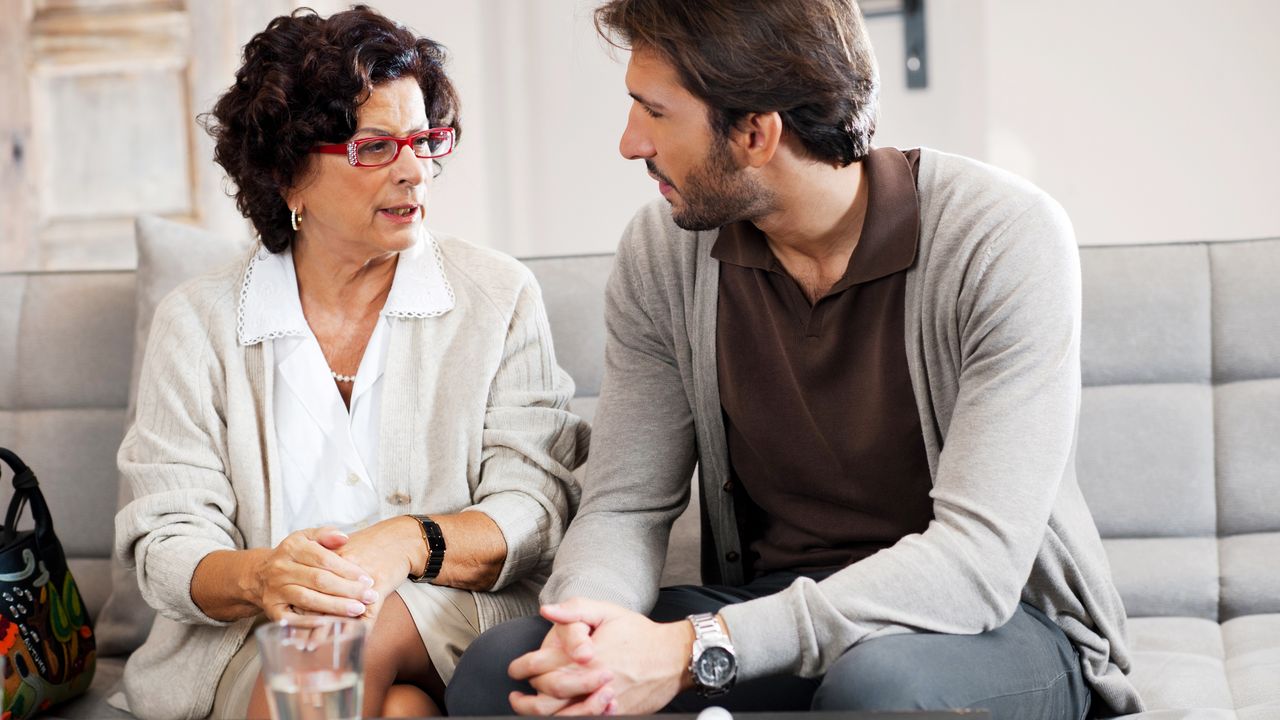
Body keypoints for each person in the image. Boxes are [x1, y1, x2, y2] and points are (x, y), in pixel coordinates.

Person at [446, 1, 1144, 718]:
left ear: (755, 132)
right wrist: (585, 638)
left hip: (983, 628)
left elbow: (978, 563)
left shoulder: (1001, 237)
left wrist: (697, 649)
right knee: (510, 670)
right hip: (768, 610)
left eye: (653, 112)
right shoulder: (663, 252)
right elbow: (625, 504)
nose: (629, 143)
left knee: (879, 692)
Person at [113, 6, 588, 720]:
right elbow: (166, 541)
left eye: (425, 140)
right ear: (287, 174)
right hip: (252, 636)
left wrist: (401, 544)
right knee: (395, 709)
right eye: (375, 148)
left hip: (446, 616)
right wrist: (265, 577)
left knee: (335, 639)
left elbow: (533, 507)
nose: (415, 170)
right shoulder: (198, 322)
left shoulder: (497, 297)